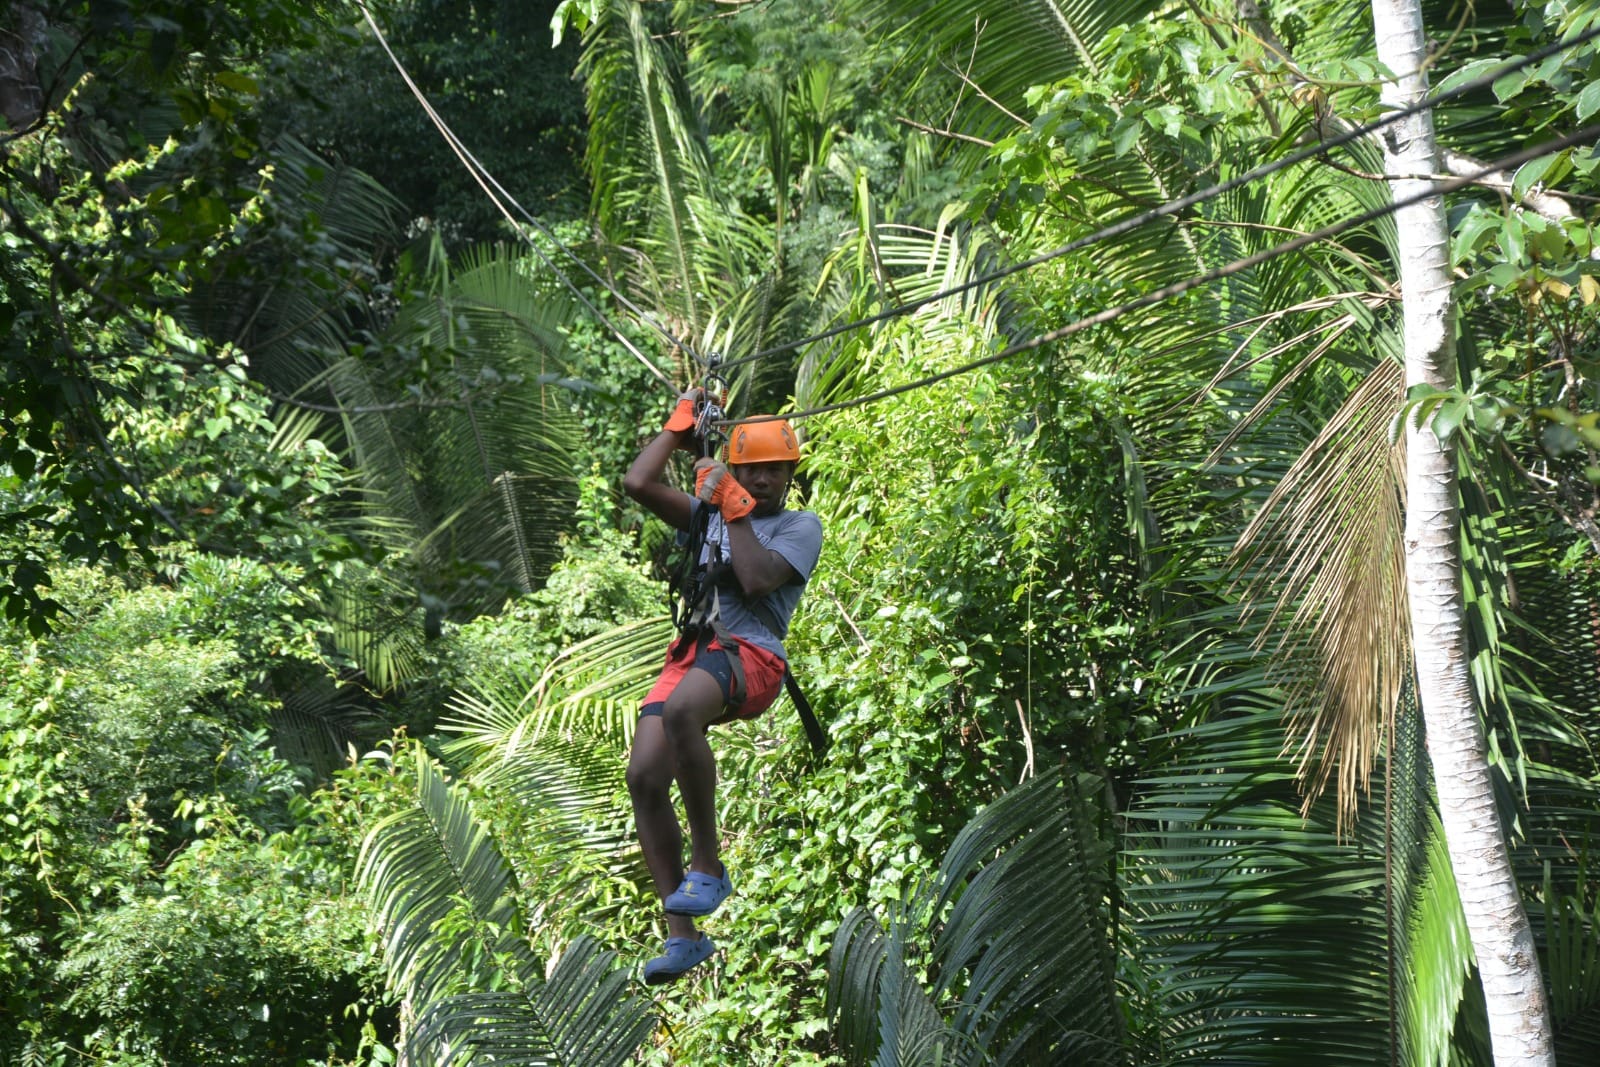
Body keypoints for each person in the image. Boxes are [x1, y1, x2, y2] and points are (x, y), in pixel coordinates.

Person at [621, 391, 823, 984]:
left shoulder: (798, 526)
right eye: (750, 469)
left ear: (790, 474)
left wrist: (732, 505)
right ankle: (681, 936)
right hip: (696, 650)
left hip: (753, 655)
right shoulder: (708, 515)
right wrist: (676, 431)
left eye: (774, 469)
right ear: (736, 469)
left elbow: (759, 581)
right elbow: (638, 483)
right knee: (643, 776)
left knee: (682, 713)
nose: (762, 479)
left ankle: (708, 862)